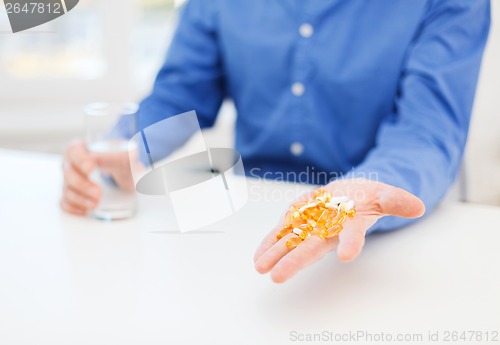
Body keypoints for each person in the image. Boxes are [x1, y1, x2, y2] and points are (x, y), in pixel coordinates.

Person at [61, 0, 490, 283]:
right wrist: (124, 147)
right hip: (249, 228)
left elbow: (427, 130)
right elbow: (181, 93)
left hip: (392, 248)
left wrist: (368, 190)